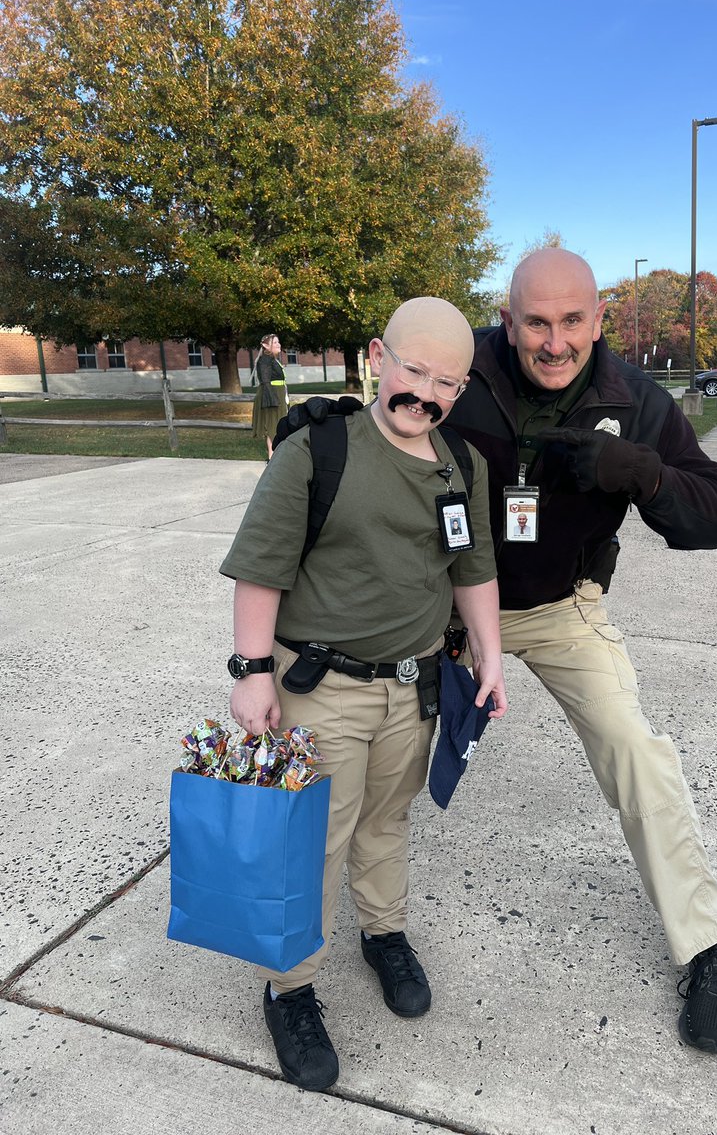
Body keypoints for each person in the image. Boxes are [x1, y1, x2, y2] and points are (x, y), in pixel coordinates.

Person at [447, 247, 717, 1055]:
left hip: (558, 607)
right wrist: (321, 431)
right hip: (442, 606)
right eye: (535, 322)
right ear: (507, 319)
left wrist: (640, 473)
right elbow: (384, 421)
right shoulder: (459, 366)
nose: (554, 342)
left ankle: (709, 945)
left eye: (572, 321)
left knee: (635, 752)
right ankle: (324, 938)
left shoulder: (635, 399)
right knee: (364, 750)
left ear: (598, 319)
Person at [221, 297, 507, 1092]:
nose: (426, 393)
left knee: (386, 820)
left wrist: (490, 657)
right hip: (321, 689)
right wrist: (250, 674)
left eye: (447, 382)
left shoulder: (464, 466)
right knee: (310, 840)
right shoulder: (318, 449)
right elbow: (261, 566)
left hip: (413, 690)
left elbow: (473, 569)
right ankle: (291, 988)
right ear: (378, 357)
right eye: (414, 371)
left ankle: (383, 933)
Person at [251, 334, 289, 459]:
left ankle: (276, 457)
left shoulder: (273, 359)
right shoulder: (265, 360)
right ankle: (272, 458)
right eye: (275, 343)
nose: (279, 345)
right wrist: (273, 399)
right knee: (273, 426)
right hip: (272, 396)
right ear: (265, 345)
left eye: (279, 342)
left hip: (278, 394)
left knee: (278, 425)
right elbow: (265, 381)